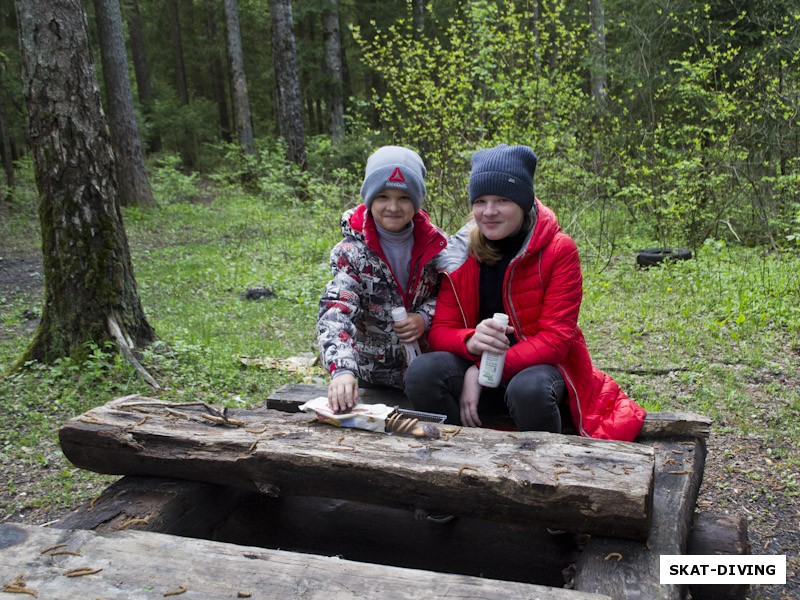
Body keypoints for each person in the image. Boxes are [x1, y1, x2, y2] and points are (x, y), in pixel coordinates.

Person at [404, 144, 645, 441]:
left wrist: (479, 371)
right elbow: (441, 330)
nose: (489, 212)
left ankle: (543, 472)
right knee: (422, 372)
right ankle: (459, 451)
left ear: (522, 200)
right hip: (480, 368)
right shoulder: (462, 252)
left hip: (540, 369)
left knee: (527, 389)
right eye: (480, 201)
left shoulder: (558, 250)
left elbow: (556, 341)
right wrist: (470, 341)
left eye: (502, 200)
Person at [317, 146, 447, 414]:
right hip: (370, 374)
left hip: (426, 372)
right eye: (383, 196)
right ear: (369, 199)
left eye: (403, 197)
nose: (393, 207)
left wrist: (424, 316)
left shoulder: (437, 246)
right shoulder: (350, 253)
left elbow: (452, 297)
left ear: (417, 200)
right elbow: (336, 311)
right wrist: (342, 369)